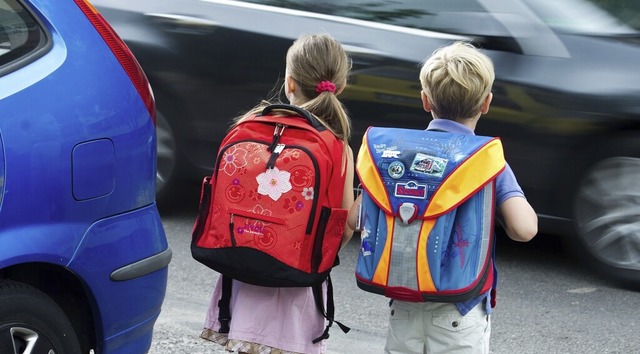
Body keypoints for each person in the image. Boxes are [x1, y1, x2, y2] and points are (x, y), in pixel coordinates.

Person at [374, 41, 539, 354]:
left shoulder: (399, 153)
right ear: (486, 103)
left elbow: (358, 218)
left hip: (405, 303)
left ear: (425, 100)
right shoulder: (487, 161)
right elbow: (524, 229)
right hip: (459, 309)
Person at [199, 33, 356, 354]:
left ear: (290, 83)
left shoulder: (252, 123)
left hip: (240, 275)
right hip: (295, 284)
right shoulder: (339, 147)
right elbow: (346, 226)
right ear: (339, 86)